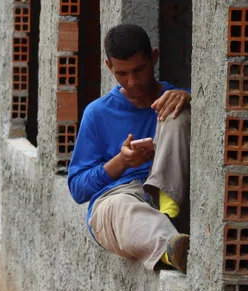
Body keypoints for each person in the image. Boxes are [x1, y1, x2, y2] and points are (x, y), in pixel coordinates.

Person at [67, 24, 191, 273]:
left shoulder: (178, 97)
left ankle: (167, 215)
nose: (133, 81)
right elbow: (78, 189)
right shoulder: (97, 113)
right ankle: (172, 248)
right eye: (122, 74)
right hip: (118, 202)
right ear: (109, 67)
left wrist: (191, 99)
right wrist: (121, 162)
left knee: (176, 113)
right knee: (122, 207)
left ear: (154, 58)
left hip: (173, 198)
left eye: (140, 70)